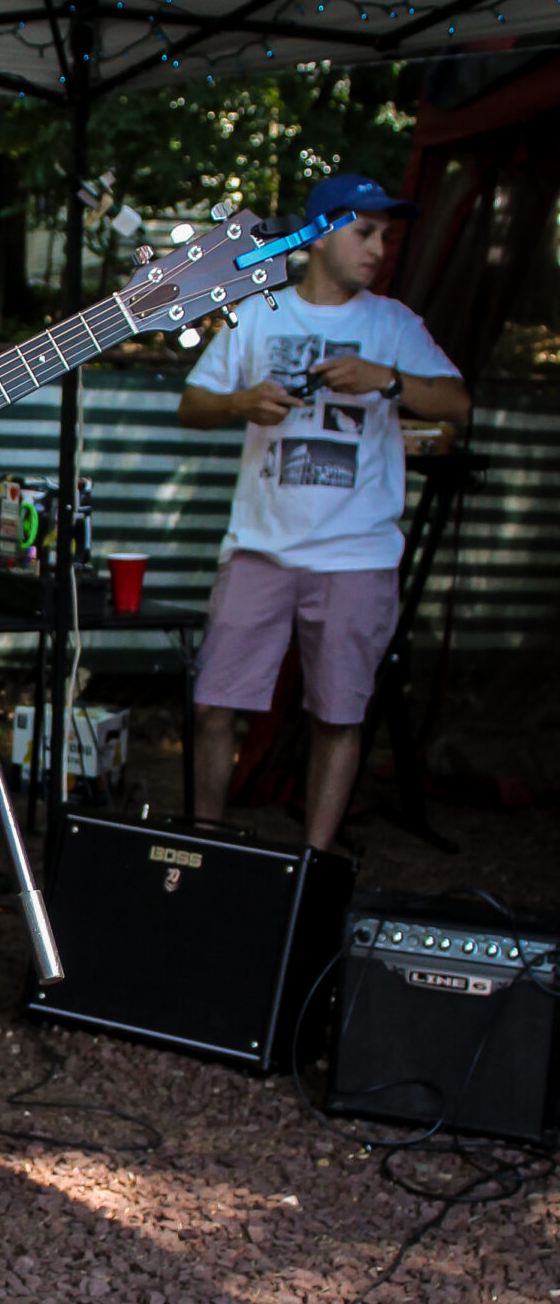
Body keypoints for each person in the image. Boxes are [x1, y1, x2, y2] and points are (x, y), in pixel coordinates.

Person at [177, 172, 469, 849]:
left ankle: (312, 865)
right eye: (364, 232)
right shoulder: (260, 313)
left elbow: (458, 403)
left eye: (385, 236)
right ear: (317, 235)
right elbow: (192, 406)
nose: (378, 250)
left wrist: (386, 380)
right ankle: (203, 850)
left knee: (338, 715)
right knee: (214, 705)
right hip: (258, 547)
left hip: (356, 555)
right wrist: (239, 402)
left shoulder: (392, 323)